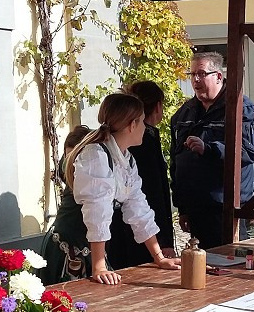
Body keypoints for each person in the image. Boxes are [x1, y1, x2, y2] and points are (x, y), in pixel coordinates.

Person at [66, 93, 180, 285]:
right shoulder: (96, 156)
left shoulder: (126, 159)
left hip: (93, 248)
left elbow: (139, 209)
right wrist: (99, 266)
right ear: (132, 125)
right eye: (142, 121)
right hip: (74, 247)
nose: (146, 127)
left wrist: (159, 257)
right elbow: (97, 213)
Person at [170, 52, 254, 250]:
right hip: (196, 207)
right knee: (201, 267)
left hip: (226, 209)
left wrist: (210, 149)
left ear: (218, 76)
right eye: (192, 74)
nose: (195, 80)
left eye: (201, 74)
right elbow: (176, 161)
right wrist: (183, 208)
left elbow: (249, 151)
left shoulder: (241, 108)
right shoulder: (184, 113)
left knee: (231, 267)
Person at [113, 80, 175, 267]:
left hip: (136, 228)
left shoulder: (130, 150)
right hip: (127, 234)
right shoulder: (102, 155)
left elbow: (138, 199)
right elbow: (153, 193)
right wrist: (163, 242)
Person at [41, 125, 93, 283]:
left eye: (76, 158)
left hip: (86, 246)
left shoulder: (97, 179)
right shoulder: (75, 180)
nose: (72, 165)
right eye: (68, 158)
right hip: (62, 248)